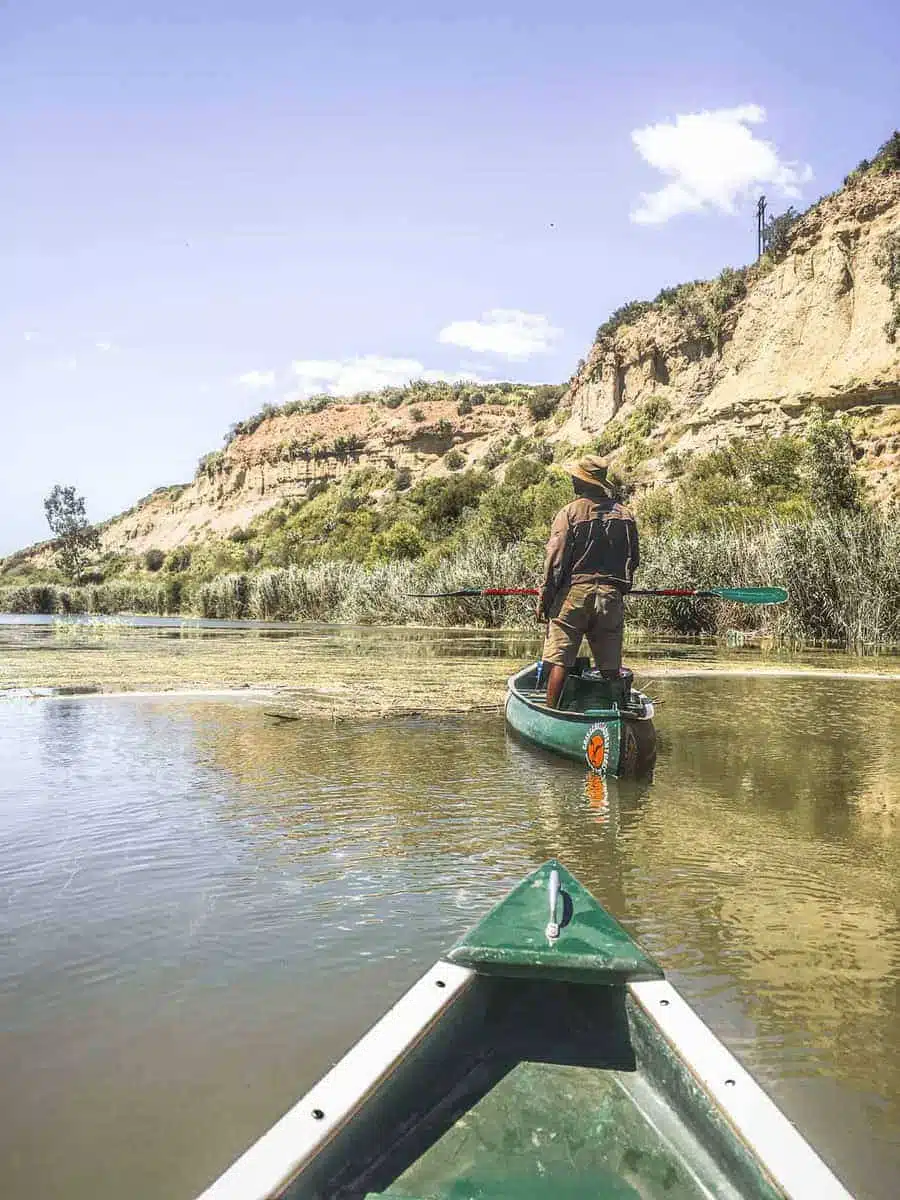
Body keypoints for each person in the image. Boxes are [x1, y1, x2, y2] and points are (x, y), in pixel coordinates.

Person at [537, 455, 639, 709]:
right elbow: (633, 558)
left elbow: (555, 560)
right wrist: (620, 587)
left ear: (582, 482)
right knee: (610, 668)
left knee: (561, 660)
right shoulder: (625, 515)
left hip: (573, 596)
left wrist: (545, 598)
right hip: (610, 596)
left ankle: (552, 715)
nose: (572, 480)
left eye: (575, 477)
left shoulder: (569, 513)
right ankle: (618, 715)